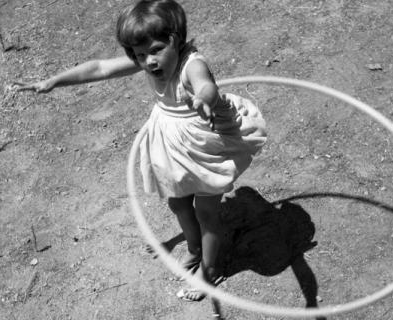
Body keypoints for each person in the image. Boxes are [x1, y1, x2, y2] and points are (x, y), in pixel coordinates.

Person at [16, 0, 267, 302]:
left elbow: (205, 84)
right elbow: (100, 68)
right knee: (177, 202)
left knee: (206, 211)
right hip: (172, 139)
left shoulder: (191, 65)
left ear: (177, 39)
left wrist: (204, 98)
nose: (148, 61)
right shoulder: (148, 58)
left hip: (206, 139)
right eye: (138, 54)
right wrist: (54, 81)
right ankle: (194, 248)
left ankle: (209, 270)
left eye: (156, 49)